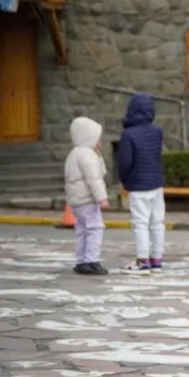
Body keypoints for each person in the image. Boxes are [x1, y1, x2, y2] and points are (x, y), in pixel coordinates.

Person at [117, 93, 166, 274]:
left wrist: (124, 180)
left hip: (138, 185)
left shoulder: (128, 134)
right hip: (156, 183)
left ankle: (142, 261)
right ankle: (157, 260)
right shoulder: (157, 131)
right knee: (157, 223)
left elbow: (125, 162)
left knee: (140, 224)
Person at [64, 116, 110, 275]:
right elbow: (94, 179)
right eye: (97, 138)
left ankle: (81, 260)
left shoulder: (74, 153)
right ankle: (91, 260)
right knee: (95, 228)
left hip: (76, 201)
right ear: (88, 137)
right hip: (87, 199)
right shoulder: (87, 155)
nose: (100, 142)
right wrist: (102, 198)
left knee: (82, 230)